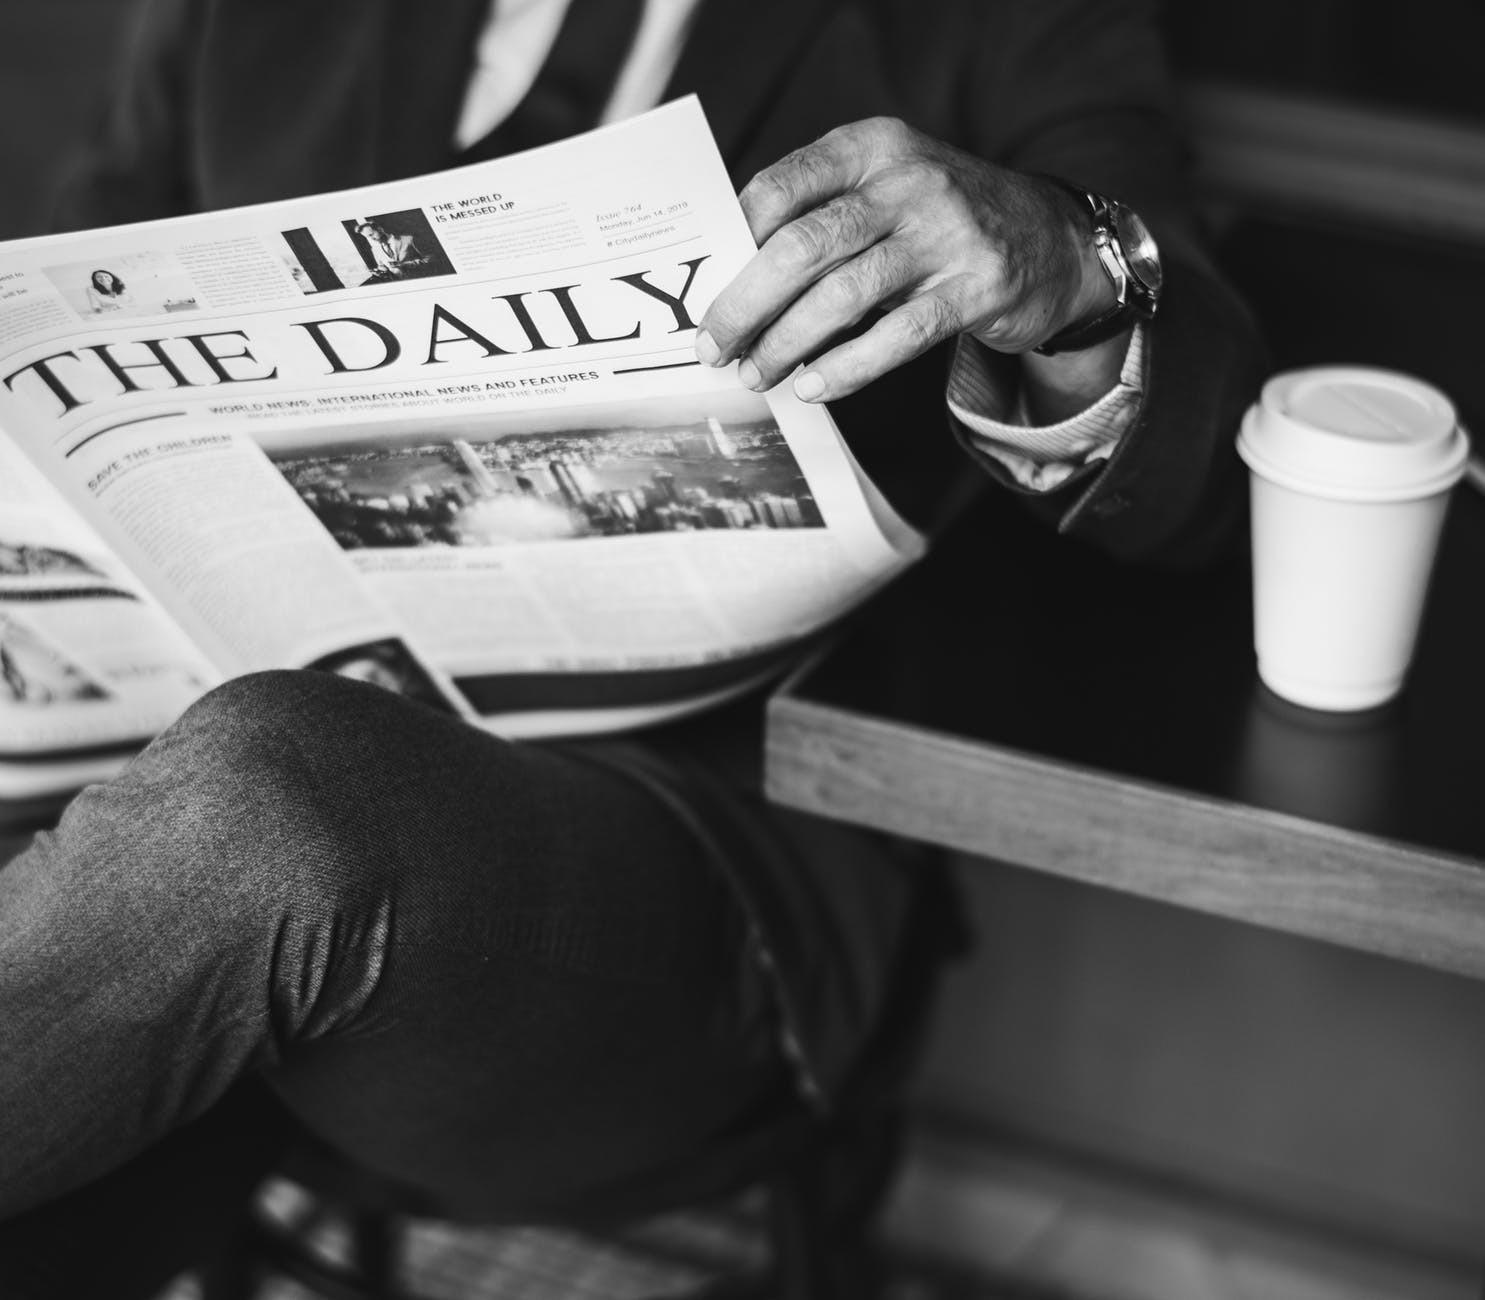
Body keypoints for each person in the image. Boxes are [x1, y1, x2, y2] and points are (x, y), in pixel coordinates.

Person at [6, 0, 1266, 1295]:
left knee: (254, 813)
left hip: (685, 862)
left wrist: (1068, 264)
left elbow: (1210, 474)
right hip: (148, 824)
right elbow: (45, 332)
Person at [353, 219, 433, 281]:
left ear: (380, 229)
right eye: (368, 237)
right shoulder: (375, 249)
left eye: (371, 234)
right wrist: (380, 272)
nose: (371, 239)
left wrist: (405, 264)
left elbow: (430, 258)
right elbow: (382, 267)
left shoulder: (409, 239)